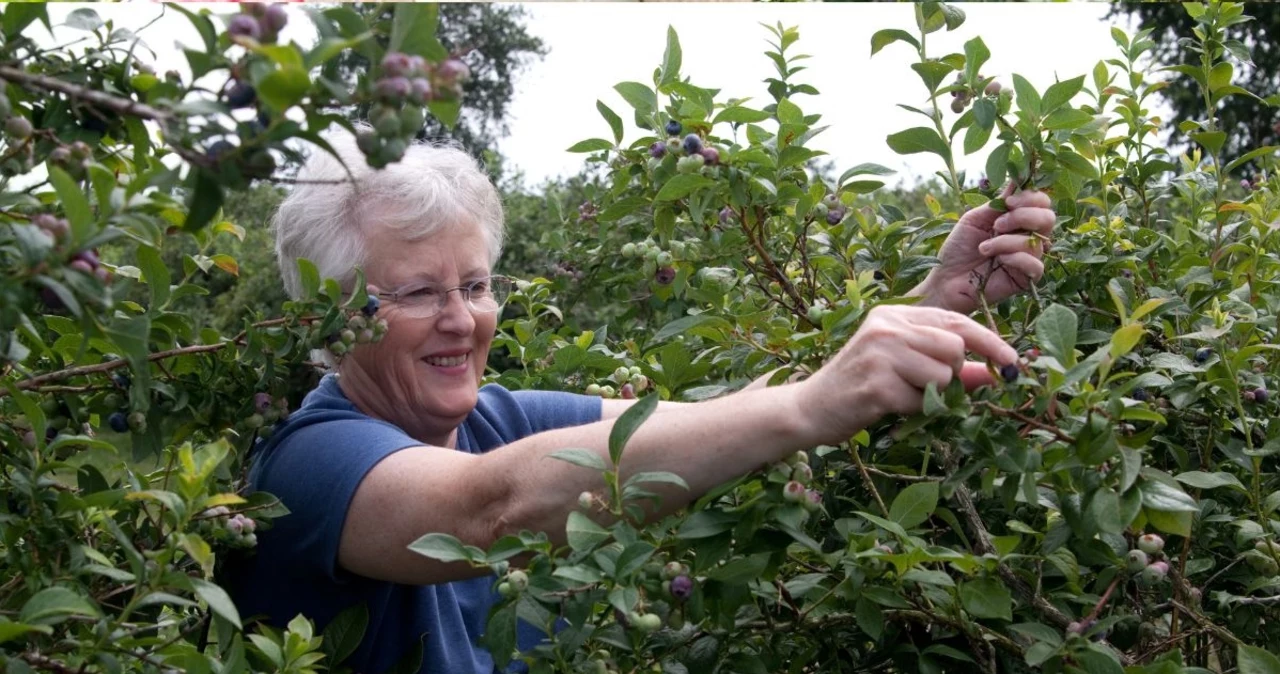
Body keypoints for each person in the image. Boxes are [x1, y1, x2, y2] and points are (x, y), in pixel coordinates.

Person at [229, 129, 1056, 674]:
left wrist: (936, 301)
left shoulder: (498, 419)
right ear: (334, 315)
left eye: (477, 285)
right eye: (418, 292)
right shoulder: (309, 464)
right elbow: (488, 511)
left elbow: (720, 422)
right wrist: (817, 401)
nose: (462, 318)